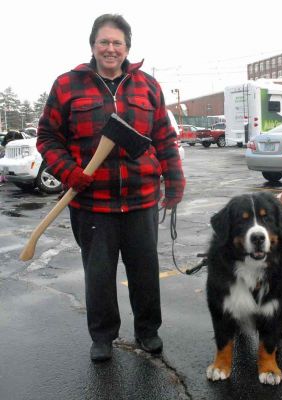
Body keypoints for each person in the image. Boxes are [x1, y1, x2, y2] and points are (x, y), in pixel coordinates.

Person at [37, 14, 185, 362]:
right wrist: (68, 171)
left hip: (141, 199)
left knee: (145, 273)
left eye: (117, 42)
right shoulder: (67, 85)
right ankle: (102, 338)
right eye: (104, 41)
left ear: (127, 48)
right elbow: (47, 136)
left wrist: (174, 179)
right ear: (93, 45)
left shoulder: (147, 86)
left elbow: (164, 137)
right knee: (99, 276)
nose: (110, 48)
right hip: (91, 203)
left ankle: (148, 332)